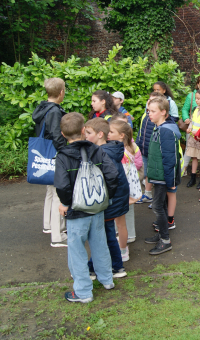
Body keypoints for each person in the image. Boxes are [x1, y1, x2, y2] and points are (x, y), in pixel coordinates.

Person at [54, 112, 119, 303]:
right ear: (83, 130)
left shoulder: (63, 156)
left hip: (77, 212)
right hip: (97, 209)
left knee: (77, 250)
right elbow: (112, 175)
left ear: (63, 133)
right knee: (100, 244)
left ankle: (83, 291)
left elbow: (62, 185)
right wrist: (105, 197)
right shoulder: (96, 150)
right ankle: (107, 279)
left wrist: (65, 203)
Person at [83, 118, 129, 279]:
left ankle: (110, 267)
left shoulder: (103, 154)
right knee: (105, 234)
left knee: (105, 235)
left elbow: (110, 180)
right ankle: (109, 266)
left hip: (108, 202)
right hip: (111, 201)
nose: (85, 136)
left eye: (88, 133)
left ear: (100, 134)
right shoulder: (107, 151)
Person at [32, 77, 67, 247]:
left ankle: (48, 225)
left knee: (50, 191)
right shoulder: (54, 111)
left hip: (44, 157)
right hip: (55, 156)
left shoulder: (43, 107)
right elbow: (55, 135)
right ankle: (57, 235)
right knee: (57, 194)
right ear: (61, 92)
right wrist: (65, 151)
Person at [144, 97, 181, 255]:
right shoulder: (159, 127)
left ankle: (165, 241)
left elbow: (170, 158)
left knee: (158, 206)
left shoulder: (165, 131)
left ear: (164, 112)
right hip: (158, 175)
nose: (149, 114)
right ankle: (161, 235)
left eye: (153, 111)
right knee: (161, 206)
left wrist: (170, 180)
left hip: (162, 177)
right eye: (148, 111)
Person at [109, 119, 143, 246]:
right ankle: (129, 235)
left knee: (121, 214)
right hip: (129, 187)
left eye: (111, 131)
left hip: (123, 188)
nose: (108, 133)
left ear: (121, 135)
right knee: (127, 212)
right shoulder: (128, 146)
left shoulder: (121, 151)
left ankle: (125, 236)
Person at [135, 92, 165, 204]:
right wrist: (137, 146)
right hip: (143, 149)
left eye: (154, 101)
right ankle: (147, 194)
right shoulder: (145, 115)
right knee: (145, 173)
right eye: (149, 100)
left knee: (154, 175)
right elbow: (141, 132)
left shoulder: (159, 119)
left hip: (153, 152)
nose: (150, 103)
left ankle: (158, 201)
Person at [181, 75, 200, 175]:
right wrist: (186, 118)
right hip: (192, 128)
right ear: (197, 84)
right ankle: (183, 169)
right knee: (190, 150)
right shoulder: (191, 96)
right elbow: (185, 109)